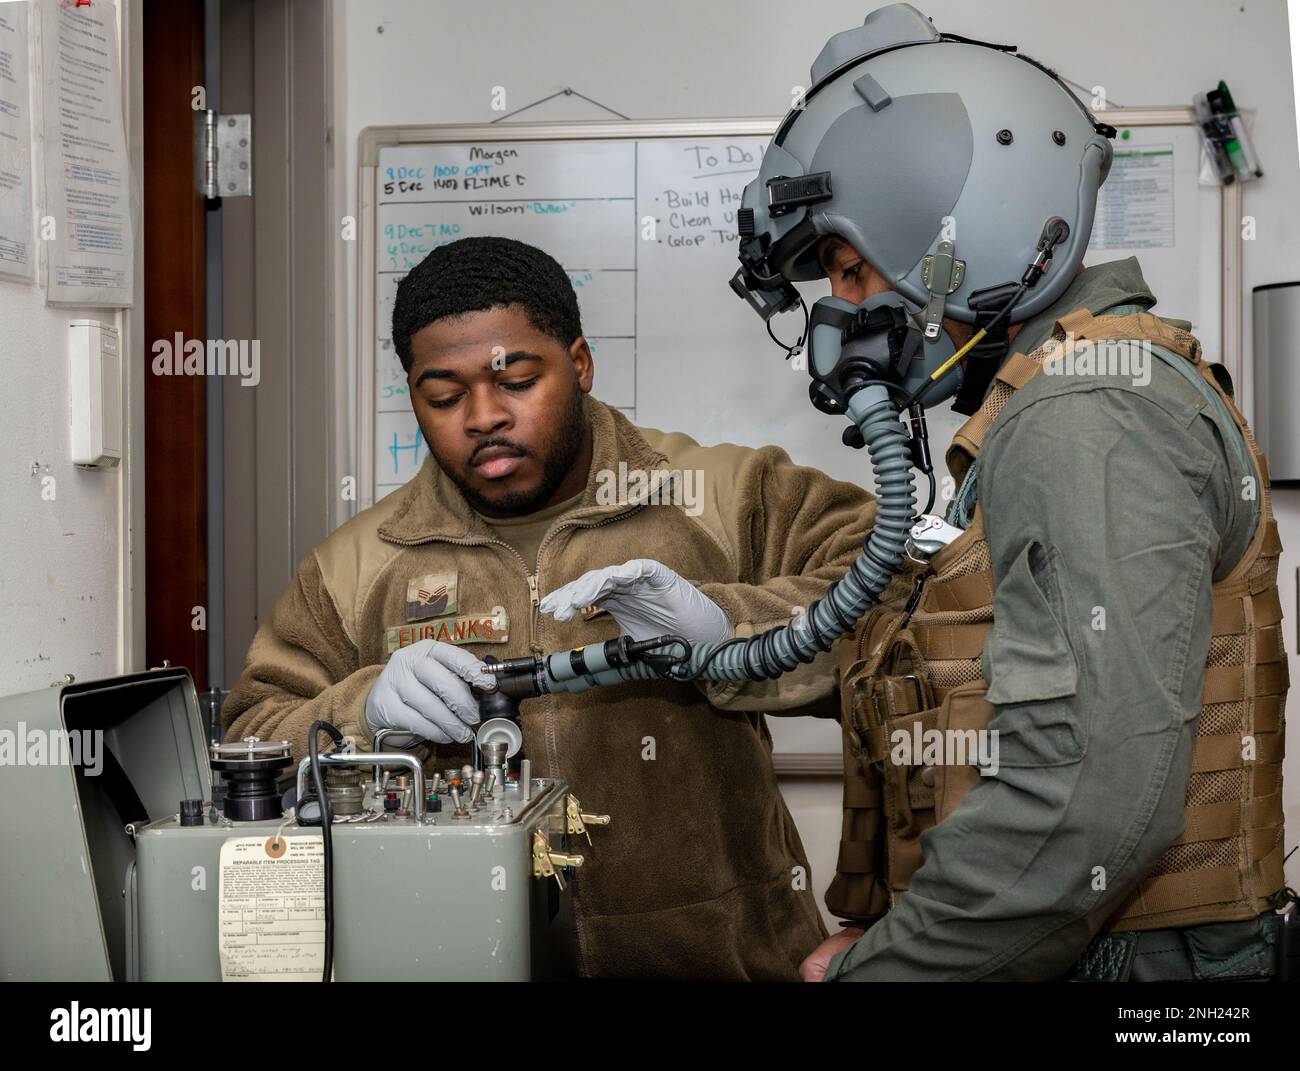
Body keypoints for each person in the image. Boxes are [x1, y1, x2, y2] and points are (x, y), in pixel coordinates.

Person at [726, 4, 1290, 981]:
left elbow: (1083, 806)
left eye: (851, 272)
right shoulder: (1049, 404)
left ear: (965, 239)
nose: (842, 314)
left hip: (1127, 966)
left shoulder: (1090, 417)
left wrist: (889, 972)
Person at [222, 235, 878, 980]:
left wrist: (728, 631)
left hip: (726, 960)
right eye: (442, 396)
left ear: (581, 363)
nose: (482, 416)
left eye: (517, 380)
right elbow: (254, 738)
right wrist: (363, 707)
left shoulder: (722, 495)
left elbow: (897, 604)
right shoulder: (356, 565)